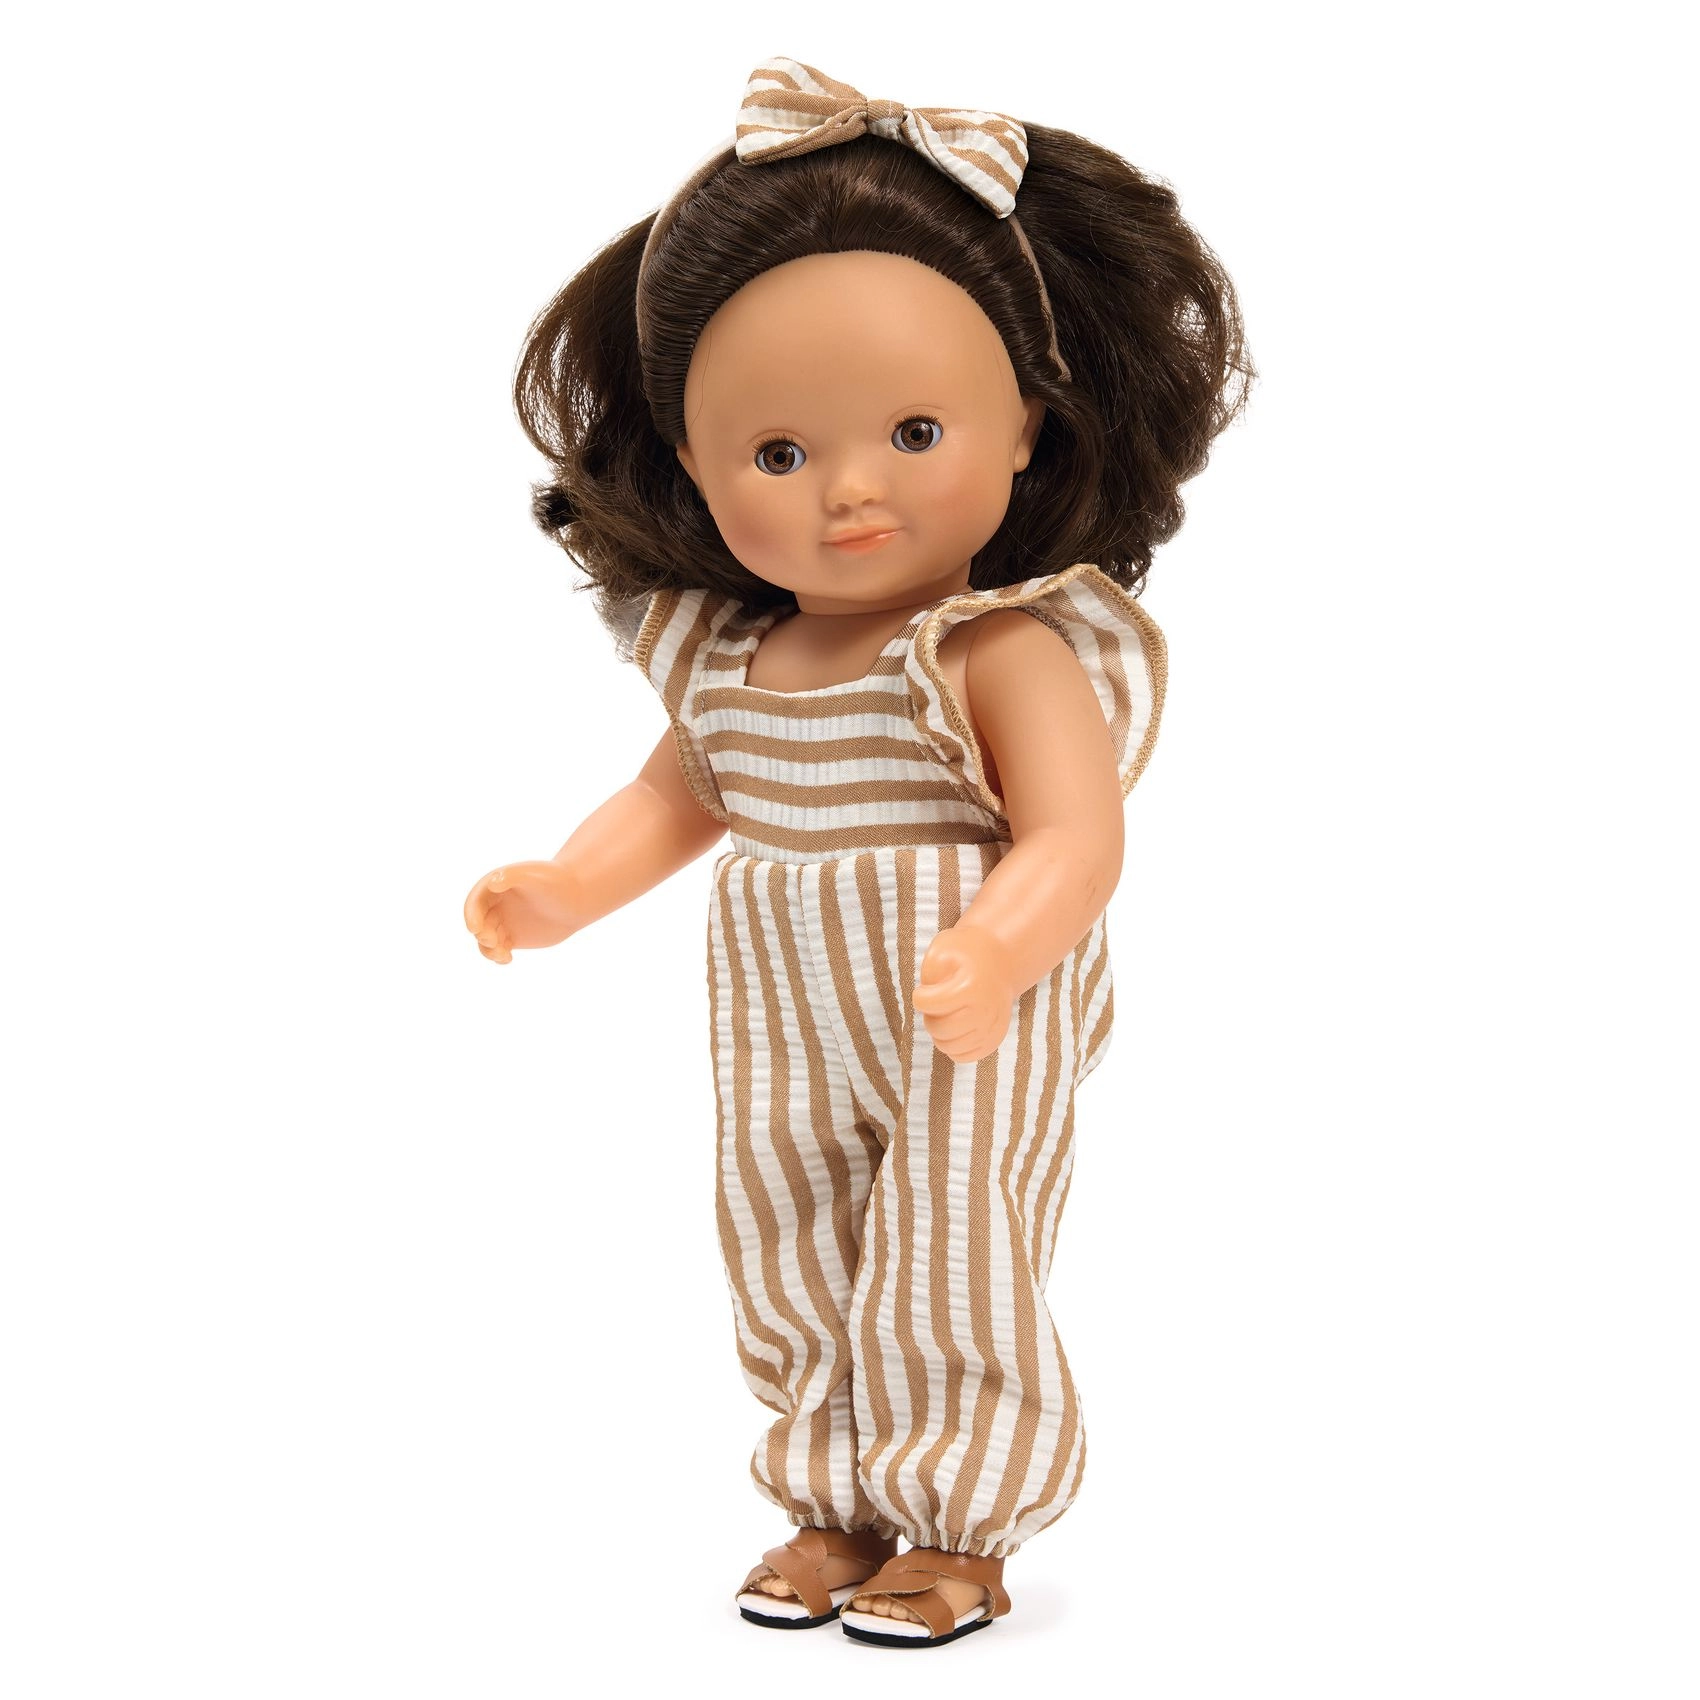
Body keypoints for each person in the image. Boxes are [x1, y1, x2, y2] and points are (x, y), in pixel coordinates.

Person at [464, 56, 1252, 1649]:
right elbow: (679, 796)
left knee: (953, 1239)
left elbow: (1077, 831)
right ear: (691, 464)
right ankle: (835, 1496)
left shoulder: (996, 646)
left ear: (1024, 429)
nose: (849, 492)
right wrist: (565, 885)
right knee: (787, 1228)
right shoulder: (732, 660)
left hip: (970, 996)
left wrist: (1003, 945)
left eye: (913, 430)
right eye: (776, 455)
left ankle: (958, 1525)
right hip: (783, 997)